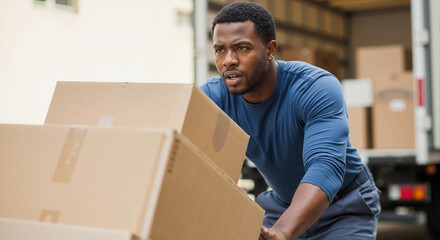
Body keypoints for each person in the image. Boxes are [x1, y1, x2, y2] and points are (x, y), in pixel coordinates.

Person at [200, 2, 381, 240]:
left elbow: (326, 166)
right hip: (281, 207)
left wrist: (283, 231)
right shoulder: (213, 97)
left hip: (343, 207)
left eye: (242, 48)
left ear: (270, 50)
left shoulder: (314, 87)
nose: (228, 60)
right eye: (220, 50)